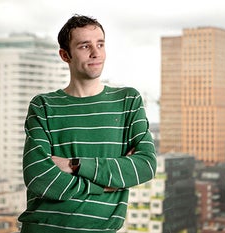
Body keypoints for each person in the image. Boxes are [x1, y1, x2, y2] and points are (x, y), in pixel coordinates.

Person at [18, 14, 157, 233]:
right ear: (65, 55)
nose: (96, 53)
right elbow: (38, 176)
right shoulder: (43, 105)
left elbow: (145, 165)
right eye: (85, 46)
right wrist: (107, 184)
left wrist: (75, 165)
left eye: (100, 44)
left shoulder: (128, 101)